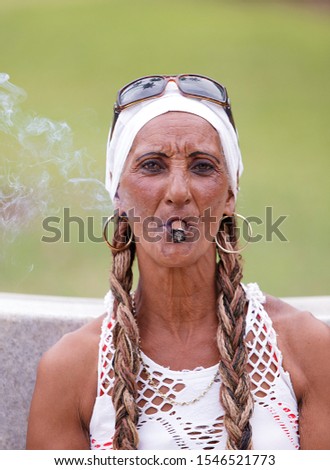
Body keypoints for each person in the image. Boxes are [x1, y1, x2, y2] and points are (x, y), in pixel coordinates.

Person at [26, 74, 330, 450]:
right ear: (118, 194)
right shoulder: (70, 371)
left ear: (230, 194)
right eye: (152, 166)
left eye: (202, 166)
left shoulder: (305, 349)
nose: (178, 192)